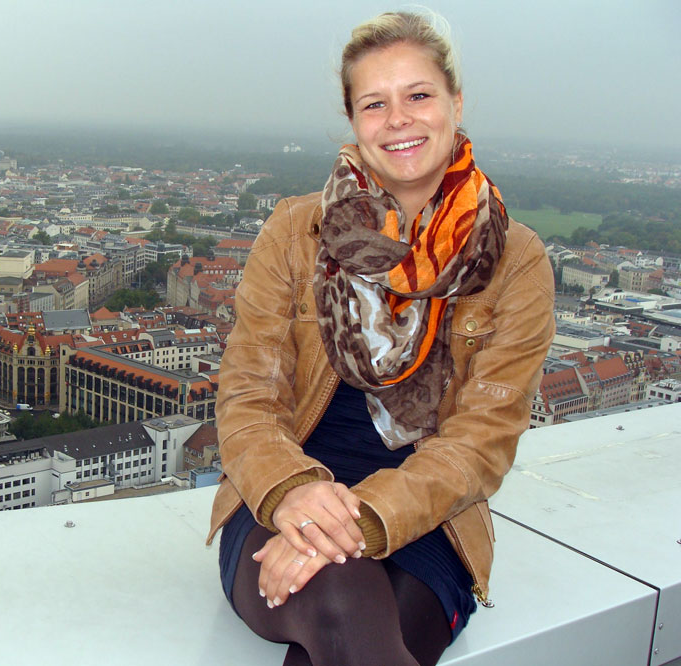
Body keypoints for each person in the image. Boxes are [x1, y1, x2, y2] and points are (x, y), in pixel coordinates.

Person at [206, 10, 555, 666]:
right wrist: (296, 495)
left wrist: (359, 518)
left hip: (427, 516)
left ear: (455, 104)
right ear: (353, 119)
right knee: (342, 594)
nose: (398, 119)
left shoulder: (516, 262)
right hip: (279, 499)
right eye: (375, 103)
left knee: (346, 620)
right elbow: (249, 399)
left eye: (418, 95)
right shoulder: (294, 233)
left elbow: (481, 441)